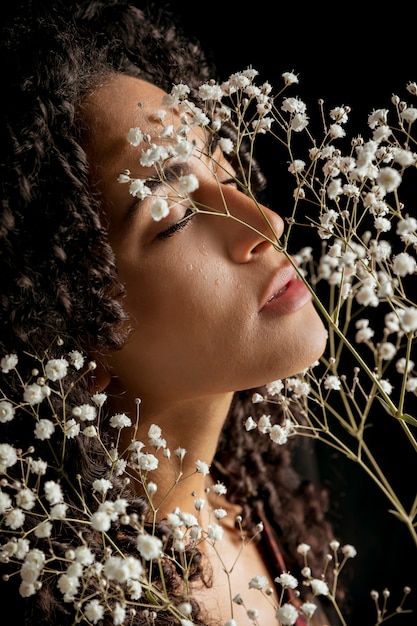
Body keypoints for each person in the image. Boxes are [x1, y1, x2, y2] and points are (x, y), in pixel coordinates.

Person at [0, 1, 346, 624]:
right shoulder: (69, 604)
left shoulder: (279, 474)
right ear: (65, 330)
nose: (264, 222)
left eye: (225, 169)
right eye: (176, 216)